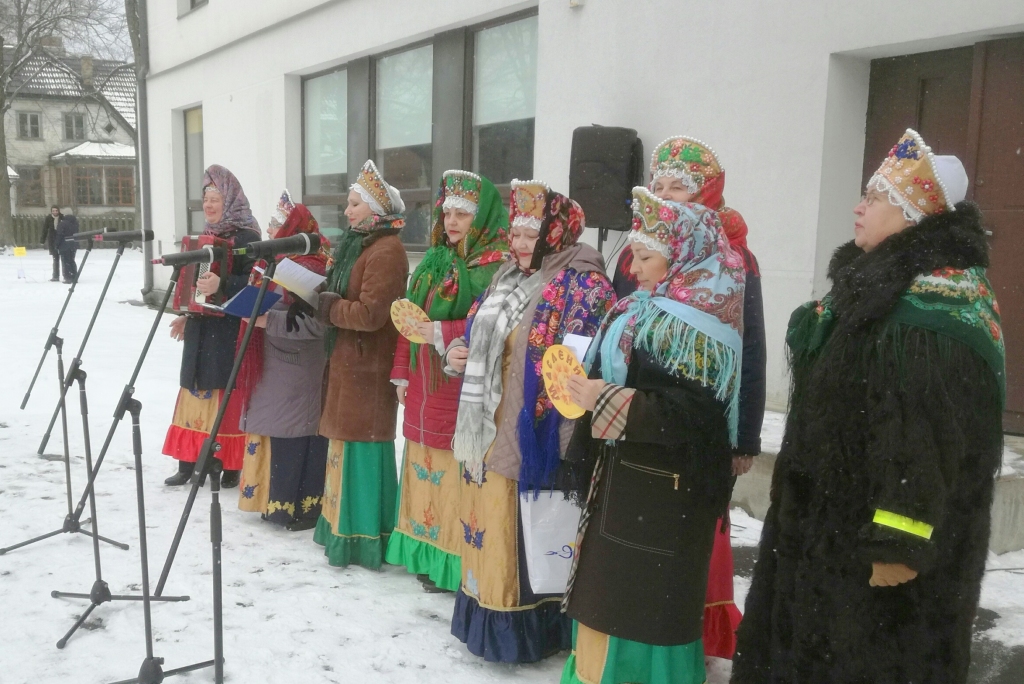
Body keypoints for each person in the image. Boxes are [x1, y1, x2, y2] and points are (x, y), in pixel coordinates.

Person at [732, 129, 1004, 684]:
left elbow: (924, 438)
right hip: (829, 529)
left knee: (871, 657)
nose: (859, 207)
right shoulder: (878, 289)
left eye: (876, 197)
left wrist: (898, 543)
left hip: (870, 551)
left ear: (914, 214)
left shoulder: (931, 311)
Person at [559, 190, 746, 684]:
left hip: (665, 498)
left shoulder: (700, 325)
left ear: (683, 256)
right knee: (613, 600)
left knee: (639, 608)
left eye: (645, 257)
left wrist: (605, 397)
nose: (633, 268)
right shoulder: (646, 307)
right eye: (633, 255)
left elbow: (693, 417)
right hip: (629, 483)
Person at [445, 179, 616, 663]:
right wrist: (457, 352)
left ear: (555, 234)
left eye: (529, 235)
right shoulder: (507, 277)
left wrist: (560, 448)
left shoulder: (583, 285)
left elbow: (575, 375)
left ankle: (526, 631)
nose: (518, 244)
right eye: (515, 234)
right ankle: (486, 618)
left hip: (531, 434)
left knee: (524, 532)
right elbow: (481, 331)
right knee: (489, 525)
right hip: (486, 425)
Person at [614, 135, 764, 659]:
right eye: (659, 186)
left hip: (695, 422)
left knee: (691, 532)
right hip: (635, 413)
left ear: (709, 190)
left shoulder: (733, 256)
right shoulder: (638, 248)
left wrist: (744, 435)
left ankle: (689, 632)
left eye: (681, 186)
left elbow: (749, 348)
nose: (669, 195)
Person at [385, 170, 509, 592]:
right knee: (421, 463)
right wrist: (401, 370)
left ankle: (450, 562)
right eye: (447, 212)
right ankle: (421, 549)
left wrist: (439, 333)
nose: (452, 221)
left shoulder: (494, 268)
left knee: (452, 467)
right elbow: (410, 316)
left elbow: (488, 327)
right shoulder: (435, 258)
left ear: (484, 217)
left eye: (462, 214)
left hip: (458, 381)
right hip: (422, 378)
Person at [313, 160, 409, 570]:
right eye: (349, 204)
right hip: (350, 365)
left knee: (362, 451)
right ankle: (345, 530)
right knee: (346, 449)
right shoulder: (361, 244)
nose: (348, 211)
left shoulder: (387, 251)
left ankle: (365, 535)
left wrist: (331, 307)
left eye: (355, 204)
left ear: (376, 210)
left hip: (367, 371)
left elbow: (373, 315)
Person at [236, 190, 331, 531]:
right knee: (282, 434)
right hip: (275, 363)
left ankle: (298, 506)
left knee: (295, 436)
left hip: (297, 365)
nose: (273, 232)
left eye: (281, 226)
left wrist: (264, 320)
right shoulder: (272, 264)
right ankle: (277, 503)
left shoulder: (315, 269)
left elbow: (317, 324)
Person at [162, 164, 262, 489]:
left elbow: (255, 288)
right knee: (192, 390)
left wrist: (223, 285)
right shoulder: (203, 237)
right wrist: (187, 313)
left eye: (216, 197)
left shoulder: (249, 238)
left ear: (230, 199)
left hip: (229, 328)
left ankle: (226, 461)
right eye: (206, 197)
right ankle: (188, 461)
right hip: (201, 328)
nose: (209, 204)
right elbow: (193, 286)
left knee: (223, 394)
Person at [55, 211, 80, 283]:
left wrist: (56, 245)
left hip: (64, 244)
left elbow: (59, 235)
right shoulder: (75, 224)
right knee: (72, 260)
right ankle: (74, 276)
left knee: (65, 261)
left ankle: (68, 277)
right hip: (73, 245)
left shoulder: (62, 224)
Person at [41, 205, 63, 282]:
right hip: (52, 240)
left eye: (56, 211)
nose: (55, 212)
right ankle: (55, 276)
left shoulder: (62, 218)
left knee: (64, 258)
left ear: (58, 211)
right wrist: (42, 240)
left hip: (61, 240)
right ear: (51, 211)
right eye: (53, 211)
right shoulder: (48, 218)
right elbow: (45, 229)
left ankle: (66, 275)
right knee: (55, 259)